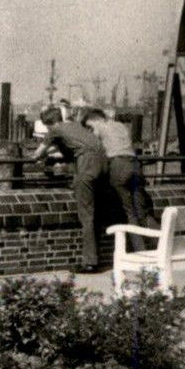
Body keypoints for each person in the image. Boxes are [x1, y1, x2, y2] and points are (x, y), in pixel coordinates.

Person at [33, 105, 108, 271]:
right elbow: (75, 147)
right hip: (103, 163)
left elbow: (37, 154)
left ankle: (90, 263)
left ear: (48, 124)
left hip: (87, 165)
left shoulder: (55, 130)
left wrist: (41, 156)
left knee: (86, 215)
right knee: (96, 212)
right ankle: (96, 256)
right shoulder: (74, 126)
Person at [84, 109, 157, 251]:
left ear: (97, 120)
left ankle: (140, 252)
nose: (90, 129)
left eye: (89, 126)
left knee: (129, 213)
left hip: (118, 165)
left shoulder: (99, 126)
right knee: (142, 212)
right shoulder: (120, 126)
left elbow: (93, 146)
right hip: (135, 166)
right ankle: (162, 245)